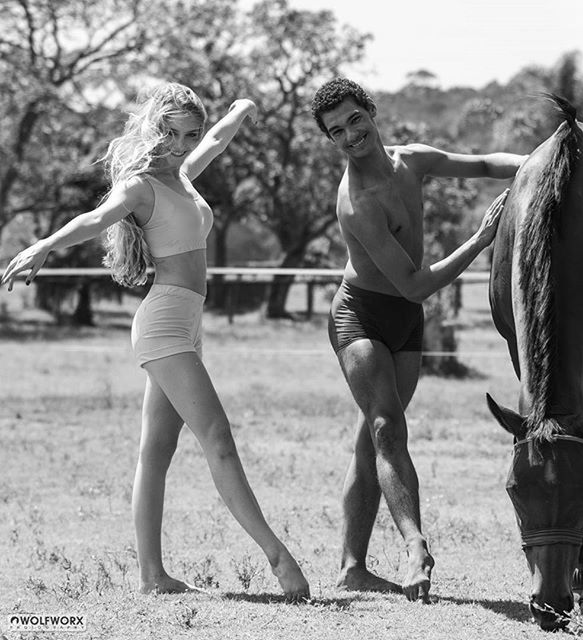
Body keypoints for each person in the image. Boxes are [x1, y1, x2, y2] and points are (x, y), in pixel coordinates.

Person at [1, 82, 310, 602]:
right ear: (153, 128)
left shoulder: (183, 177)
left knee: (157, 450)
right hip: (165, 320)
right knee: (218, 437)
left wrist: (241, 109)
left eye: (188, 134)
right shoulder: (141, 185)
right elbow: (95, 219)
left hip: (186, 321)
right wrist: (45, 245)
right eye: (171, 133)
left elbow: (214, 141)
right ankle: (279, 557)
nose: (182, 143)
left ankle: (152, 576)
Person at [310, 77, 526, 602]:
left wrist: (537, 163)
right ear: (331, 140)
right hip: (360, 316)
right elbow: (414, 282)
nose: (350, 135)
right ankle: (415, 547)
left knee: (373, 438)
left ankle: (351, 569)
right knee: (386, 427)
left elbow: (480, 164)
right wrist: (480, 239)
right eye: (336, 131)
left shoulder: (414, 161)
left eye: (354, 120)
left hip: (408, 320)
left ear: (371, 112)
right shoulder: (356, 202)